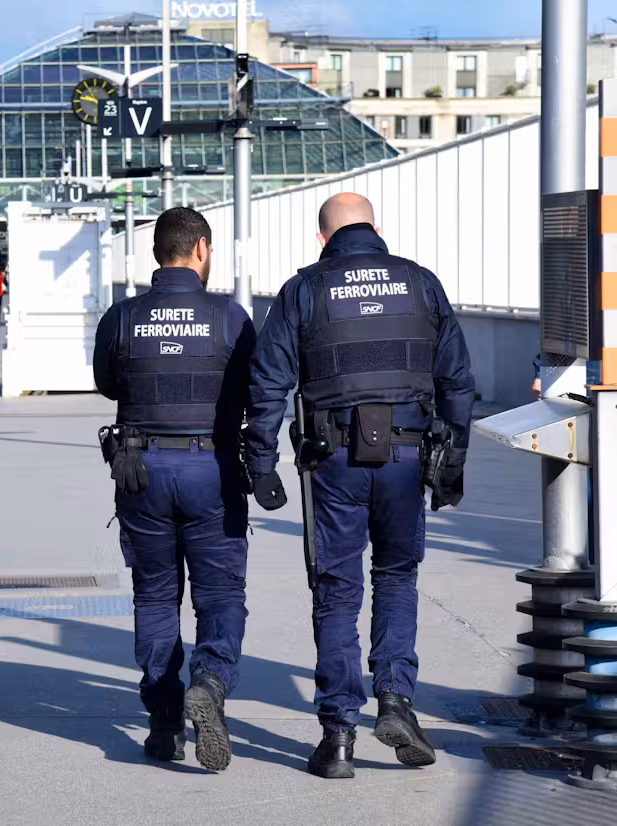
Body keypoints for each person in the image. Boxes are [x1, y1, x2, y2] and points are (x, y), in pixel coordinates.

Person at [244, 193, 475, 779]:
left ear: (322, 239)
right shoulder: (421, 284)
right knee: (397, 576)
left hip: (334, 460)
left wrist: (261, 464)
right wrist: (453, 465)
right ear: (377, 229)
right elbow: (457, 383)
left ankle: (339, 735)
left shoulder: (304, 290)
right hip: (406, 455)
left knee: (337, 589)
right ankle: (395, 699)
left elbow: (267, 385)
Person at [92, 207, 256, 772]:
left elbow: (106, 383)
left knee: (156, 596)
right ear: (202, 250)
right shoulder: (231, 317)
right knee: (220, 596)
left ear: (155, 253)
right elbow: (254, 393)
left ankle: (164, 725)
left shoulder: (121, 317)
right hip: (212, 471)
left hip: (141, 471)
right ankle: (209, 683)